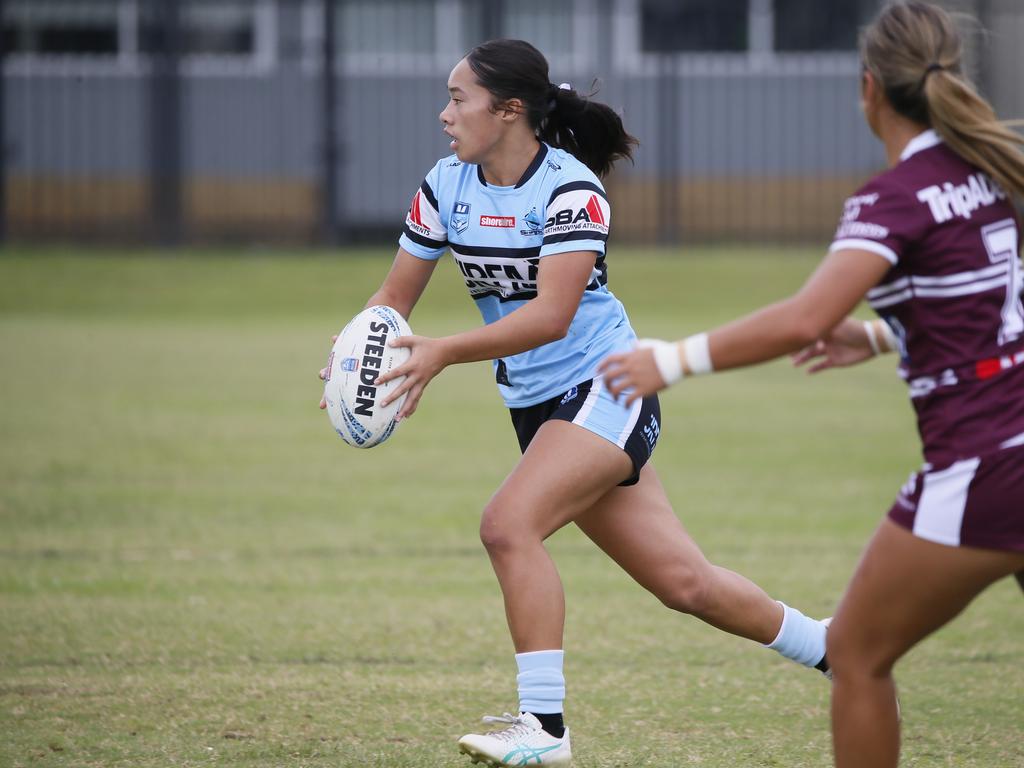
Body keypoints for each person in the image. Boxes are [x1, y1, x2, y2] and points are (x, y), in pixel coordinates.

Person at [319, 39, 829, 767]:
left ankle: (545, 728)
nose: (445, 113)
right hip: (539, 406)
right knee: (685, 584)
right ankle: (830, 646)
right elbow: (394, 300)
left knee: (507, 526)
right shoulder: (445, 185)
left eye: (458, 98)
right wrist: (355, 354)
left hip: (609, 385)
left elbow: (551, 317)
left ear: (510, 111)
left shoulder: (571, 190)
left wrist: (440, 353)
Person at [600, 3, 1024, 766]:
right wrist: (875, 334)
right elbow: (989, 308)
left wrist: (673, 360)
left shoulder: (894, 198)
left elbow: (802, 318)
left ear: (869, 89)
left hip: (986, 468)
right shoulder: (987, 174)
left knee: (856, 652)